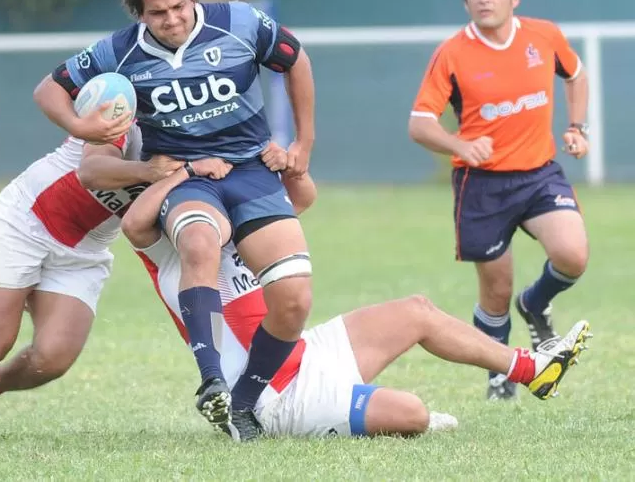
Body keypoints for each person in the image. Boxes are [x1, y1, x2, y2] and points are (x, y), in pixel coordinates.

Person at [33, 0, 316, 440]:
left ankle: (244, 403)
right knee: (198, 242)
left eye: (180, 6)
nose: (172, 19)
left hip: (251, 172)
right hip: (185, 178)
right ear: (140, 14)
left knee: (294, 299)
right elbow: (48, 89)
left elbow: (296, 59)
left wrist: (302, 145)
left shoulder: (241, 23)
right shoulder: (119, 52)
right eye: (158, 12)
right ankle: (211, 382)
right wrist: (84, 131)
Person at [122, 145, 592, 439]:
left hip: (305, 354)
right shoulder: (177, 250)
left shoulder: (248, 225)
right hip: (272, 399)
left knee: (417, 310)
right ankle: (336, 413)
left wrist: (285, 164)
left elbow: (301, 198)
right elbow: (133, 223)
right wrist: (184, 173)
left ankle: (533, 370)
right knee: (412, 414)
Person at [0, 123, 184, 442]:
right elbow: (92, 171)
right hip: (26, 222)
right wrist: (148, 170)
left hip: (85, 250)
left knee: (52, 360)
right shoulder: (126, 103)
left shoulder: (206, 141)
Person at [408, 0, 590, 400]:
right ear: (466, 1)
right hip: (482, 186)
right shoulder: (452, 54)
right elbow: (419, 123)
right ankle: (499, 374)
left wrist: (576, 127)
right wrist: (459, 145)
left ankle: (535, 303)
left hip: (539, 174)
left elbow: (576, 74)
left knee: (573, 255)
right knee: (496, 288)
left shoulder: (543, 37)